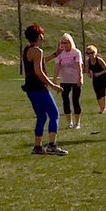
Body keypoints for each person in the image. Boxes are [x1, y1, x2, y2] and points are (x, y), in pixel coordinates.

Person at [22, 25, 66, 155]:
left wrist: (55, 55)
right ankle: (52, 145)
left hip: (30, 89)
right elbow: (39, 72)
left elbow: (40, 62)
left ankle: (37, 147)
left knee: (41, 117)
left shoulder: (27, 50)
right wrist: (54, 85)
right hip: (39, 88)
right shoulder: (38, 51)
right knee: (54, 114)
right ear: (39, 36)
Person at [53, 33, 84, 129]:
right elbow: (57, 67)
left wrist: (80, 77)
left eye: (65, 42)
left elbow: (79, 66)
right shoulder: (60, 54)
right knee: (65, 100)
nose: (64, 45)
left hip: (75, 79)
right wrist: (54, 80)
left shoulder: (76, 52)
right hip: (64, 80)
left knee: (75, 100)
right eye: (62, 43)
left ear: (70, 42)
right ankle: (69, 122)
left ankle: (77, 122)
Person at [85, 45, 106, 113]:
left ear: (95, 52)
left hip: (102, 77)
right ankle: (101, 107)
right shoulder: (88, 61)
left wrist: (99, 73)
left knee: (102, 91)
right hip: (95, 78)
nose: (90, 55)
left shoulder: (99, 60)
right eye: (88, 53)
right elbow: (87, 71)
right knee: (97, 92)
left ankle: (104, 108)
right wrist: (89, 75)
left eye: (91, 53)